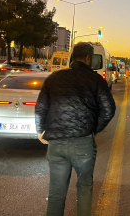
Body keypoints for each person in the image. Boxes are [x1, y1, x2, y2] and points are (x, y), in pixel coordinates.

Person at [35, 42, 116, 216]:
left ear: (73, 56)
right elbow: (109, 109)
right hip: (82, 143)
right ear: (88, 58)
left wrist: (40, 130)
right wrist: (94, 127)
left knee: (56, 193)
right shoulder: (95, 80)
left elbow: (41, 107)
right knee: (84, 187)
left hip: (56, 143)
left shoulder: (54, 78)